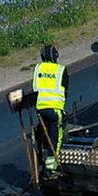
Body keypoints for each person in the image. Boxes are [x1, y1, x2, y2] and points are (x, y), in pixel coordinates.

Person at [33, 43, 68, 174]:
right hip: (55, 110)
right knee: (56, 137)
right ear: (56, 56)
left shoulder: (38, 68)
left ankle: (42, 159)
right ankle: (52, 167)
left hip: (41, 109)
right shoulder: (61, 70)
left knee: (44, 133)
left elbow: (36, 87)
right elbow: (65, 91)